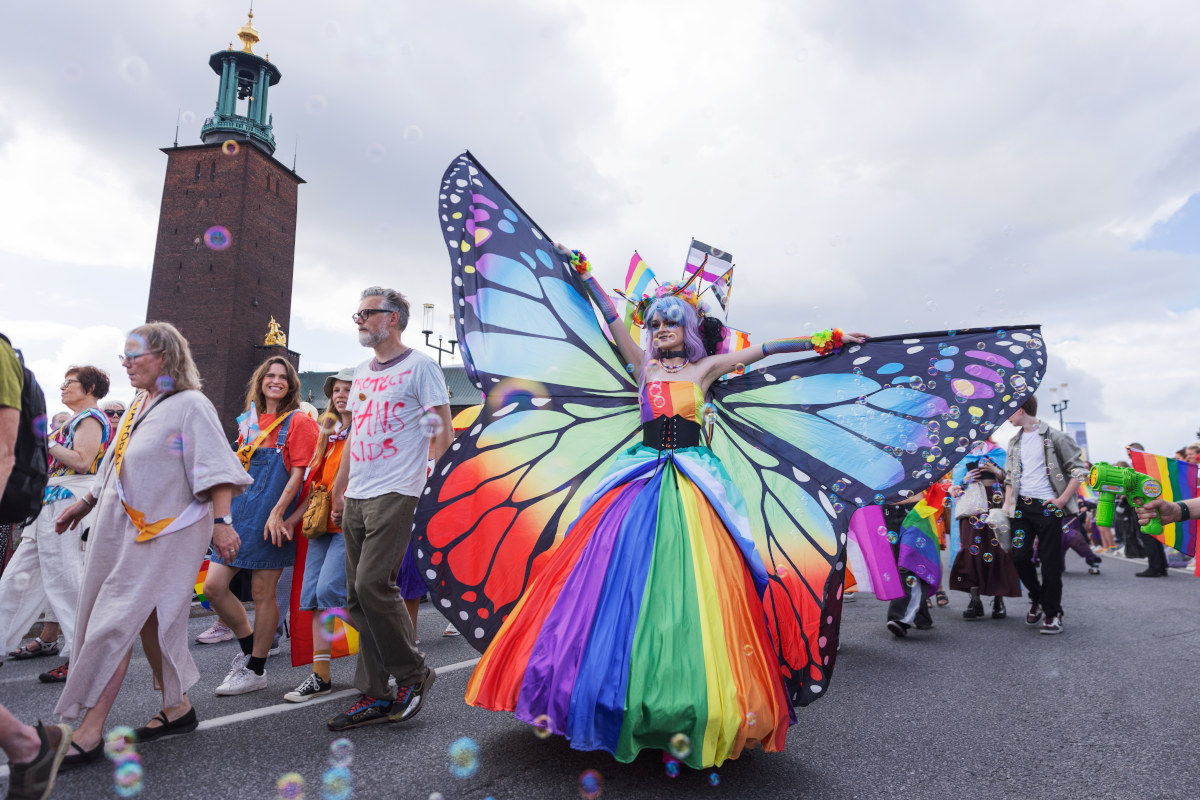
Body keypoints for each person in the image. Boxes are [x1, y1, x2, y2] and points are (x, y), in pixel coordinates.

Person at [461, 250, 867, 767]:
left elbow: (762, 351)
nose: (661, 327)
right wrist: (586, 276)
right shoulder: (644, 367)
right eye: (655, 321)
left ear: (691, 326)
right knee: (609, 582)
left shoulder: (705, 370)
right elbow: (611, 320)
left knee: (691, 588)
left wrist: (821, 340)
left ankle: (682, 698)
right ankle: (597, 690)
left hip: (695, 483)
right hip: (639, 478)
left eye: (672, 319)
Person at [51, 322, 251, 768]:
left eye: (132, 355)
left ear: (163, 357)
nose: (124, 363)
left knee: (113, 623)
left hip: (164, 535)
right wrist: (83, 504)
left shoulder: (191, 405)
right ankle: (178, 708)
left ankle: (88, 730)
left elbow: (217, 469)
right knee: (149, 622)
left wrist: (222, 524)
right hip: (120, 531)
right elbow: (114, 470)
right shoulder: (143, 404)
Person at [325, 287, 452, 731]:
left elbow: (441, 431)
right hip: (358, 491)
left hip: (399, 489)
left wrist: (433, 488)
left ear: (393, 318)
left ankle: (414, 673)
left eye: (366, 313)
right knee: (357, 597)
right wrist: (339, 490)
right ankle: (376, 692)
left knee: (374, 584)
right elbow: (356, 433)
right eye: (356, 312)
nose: (358, 319)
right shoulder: (362, 371)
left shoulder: (422, 367)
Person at [203, 356, 318, 695]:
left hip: (272, 517)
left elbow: (302, 475)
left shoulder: (299, 421)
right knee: (213, 587)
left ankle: (255, 668)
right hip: (240, 512)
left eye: (283, 377)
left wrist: (279, 513)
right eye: (270, 375)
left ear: (291, 384)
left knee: (263, 593)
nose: (276, 381)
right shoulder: (250, 421)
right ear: (260, 380)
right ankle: (251, 645)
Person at [0, 366, 113, 685]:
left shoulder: (90, 418)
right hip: (51, 503)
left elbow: (82, 461)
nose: (62, 388)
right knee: (15, 579)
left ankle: (82, 656)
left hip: (67, 501)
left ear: (89, 387)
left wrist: (43, 442)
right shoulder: (80, 419)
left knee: (65, 581)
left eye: (70, 383)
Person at [0, 334, 74, 800]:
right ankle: (26, 745)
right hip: (49, 511)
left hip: (63, 509)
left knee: (68, 587)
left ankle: (27, 744)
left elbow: (5, 452)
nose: (64, 388)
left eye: (72, 382)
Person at [283, 367, 353, 702]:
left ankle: (389, 647)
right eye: (336, 390)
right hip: (320, 524)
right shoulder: (330, 433)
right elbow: (314, 484)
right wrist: (294, 518)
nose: (340, 395)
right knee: (311, 598)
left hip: (347, 525)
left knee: (329, 593)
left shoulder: (364, 431)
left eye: (348, 389)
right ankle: (320, 675)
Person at [1003, 395, 1088, 635]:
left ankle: (1052, 613)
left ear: (1020, 410)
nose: (1005, 417)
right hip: (1020, 507)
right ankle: (1037, 597)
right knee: (1019, 556)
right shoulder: (1014, 442)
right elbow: (1010, 478)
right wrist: (1006, 509)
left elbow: (1080, 470)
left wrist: (1061, 501)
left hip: (1048, 506)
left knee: (1050, 562)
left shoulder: (1056, 436)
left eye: (1008, 411)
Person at [947, 450, 1022, 620]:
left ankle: (998, 600)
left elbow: (1013, 480)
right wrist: (964, 481)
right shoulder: (963, 454)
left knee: (999, 550)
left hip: (996, 503)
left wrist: (997, 471)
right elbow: (955, 488)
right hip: (972, 507)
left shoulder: (998, 453)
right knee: (971, 552)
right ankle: (975, 601)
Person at [1125, 442, 1170, 577]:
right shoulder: (1150, 465)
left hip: (1144, 505)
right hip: (1151, 504)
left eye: (1130, 454)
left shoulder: (1141, 467)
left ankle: (1154, 568)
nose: (1129, 457)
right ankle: (1161, 566)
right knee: (1154, 536)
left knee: (1148, 535)